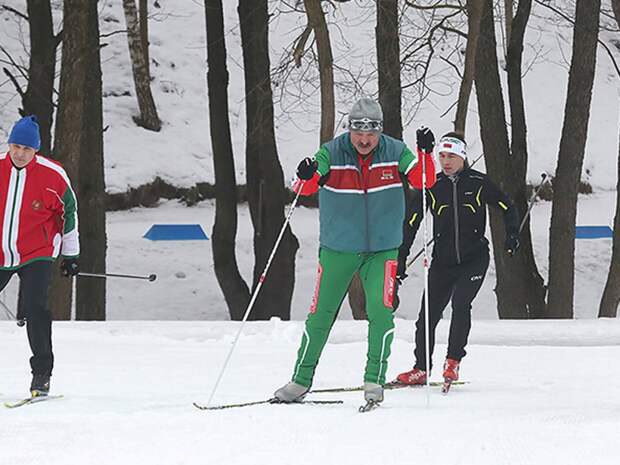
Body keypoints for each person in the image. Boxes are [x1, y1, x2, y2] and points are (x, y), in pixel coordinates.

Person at [273, 97, 436, 406]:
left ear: (380, 132)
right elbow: (302, 187)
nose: (364, 140)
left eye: (370, 134)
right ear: (349, 130)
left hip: (382, 249)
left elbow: (425, 180)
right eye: (358, 133)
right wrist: (306, 173)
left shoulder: (395, 151)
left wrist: (425, 153)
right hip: (338, 248)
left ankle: (374, 380)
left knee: (380, 312)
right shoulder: (332, 152)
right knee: (320, 316)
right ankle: (301, 380)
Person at [394, 132, 519, 386]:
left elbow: (507, 206)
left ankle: (453, 361)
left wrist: (512, 234)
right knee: (427, 316)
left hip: (474, 259)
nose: (446, 161)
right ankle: (421, 368)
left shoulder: (478, 182)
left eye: (451, 156)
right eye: (441, 156)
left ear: (462, 156)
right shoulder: (432, 185)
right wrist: (401, 258)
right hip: (443, 261)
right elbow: (411, 224)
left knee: (461, 304)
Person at [1, 115, 80, 396]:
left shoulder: (53, 175)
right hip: (0, 252)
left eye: (27, 149)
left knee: (36, 309)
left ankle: (41, 375)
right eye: (16, 147)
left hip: (38, 251)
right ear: (9, 144)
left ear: (36, 150)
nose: (20, 154)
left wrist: (70, 254)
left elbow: (68, 213)